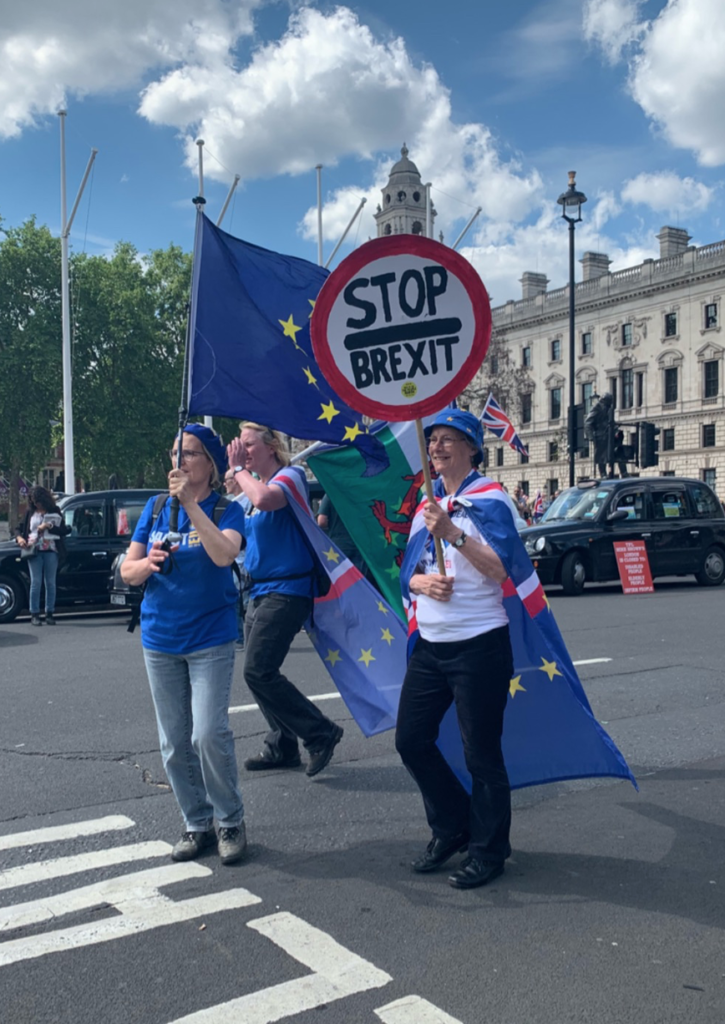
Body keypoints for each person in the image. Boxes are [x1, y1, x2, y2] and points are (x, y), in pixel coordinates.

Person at [395, 409, 515, 890]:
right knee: (411, 740)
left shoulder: (491, 498)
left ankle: (489, 851)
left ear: (472, 448)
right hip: (432, 645)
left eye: (449, 440)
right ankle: (453, 826)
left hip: (479, 644)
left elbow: (501, 569)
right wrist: (421, 580)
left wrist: (455, 534)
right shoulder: (428, 504)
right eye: (434, 441)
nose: (438, 448)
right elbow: (407, 574)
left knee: (481, 754)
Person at [121, 423, 247, 866]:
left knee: (208, 734)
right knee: (174, 743)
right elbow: (127, 571)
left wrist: (192, 506)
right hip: (160, 637)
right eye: (174, 452)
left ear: (210, 464)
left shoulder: (227, 509)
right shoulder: (155, 508)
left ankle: (230, 819)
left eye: (190, 453)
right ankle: (198, 823)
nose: (179, 461)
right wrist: (147, 564)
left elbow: (222, 554)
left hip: (210, 636)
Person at [227, 422, 343, 777]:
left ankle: (319, 731)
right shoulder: (251, 493)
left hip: (289, 590)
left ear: (271, 446)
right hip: (260, 590)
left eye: (248, 444)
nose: (243, 451)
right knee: (259, 673)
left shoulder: (290, 476)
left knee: (258, 669)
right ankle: (282, 743)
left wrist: (237, 470)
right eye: (240, 446)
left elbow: (265, 499)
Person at [16, 486, 65, 626]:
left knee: (50, 583)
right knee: (35, 582)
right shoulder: (30, 512)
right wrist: (20, 538)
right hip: (34, 550)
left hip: (51, 549)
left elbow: (63, 530)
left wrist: (49, 526)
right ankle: (35, 613)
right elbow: (18, 528)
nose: (36, 504)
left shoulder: (55, 511)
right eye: (33, 501)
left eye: (38, 501)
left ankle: (49, 612)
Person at [223, 467, 253, 650]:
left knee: (248, 600)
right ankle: (241, 638)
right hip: (235, 561)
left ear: (235, 480)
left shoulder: (250, 500)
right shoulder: (229, 503)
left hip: (248, 559)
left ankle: (246, 638)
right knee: (236, 599)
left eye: (227, 480)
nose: (225, 484)